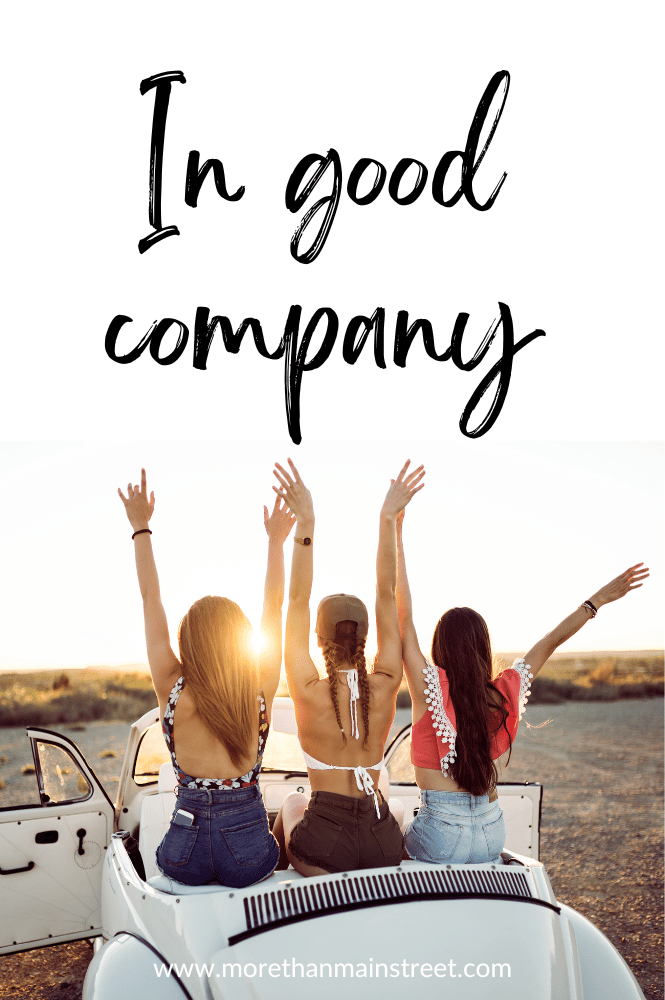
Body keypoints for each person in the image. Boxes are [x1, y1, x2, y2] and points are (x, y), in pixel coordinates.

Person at [396, 505, 649, 865]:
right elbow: (549, 642)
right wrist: (597, 601)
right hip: (491, 834)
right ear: (484, 649)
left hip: (441, 836)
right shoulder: (502, 694)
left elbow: (402, 616)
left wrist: (395, 535)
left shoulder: (430, 690)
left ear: (440, 648)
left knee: (391, 820)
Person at [118, 468, 295, 887]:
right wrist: (275, 542)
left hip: (185, 857)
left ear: (188, 642)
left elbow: (150, 600)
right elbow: (275, 609)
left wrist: (141, 528)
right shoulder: (255, 691)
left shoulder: (172, 687)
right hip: (248, 857)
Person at [271, 459, 424, 876]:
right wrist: (387, 518)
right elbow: (386, 593)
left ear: (318, 639)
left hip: (325, 846)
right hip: (380, 841)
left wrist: (307, 524)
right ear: (367, 637)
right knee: (386, 803)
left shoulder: (307, 688)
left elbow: (297, 601)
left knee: (292, 803)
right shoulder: (387, 680)